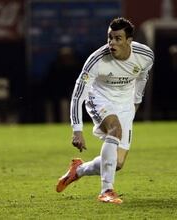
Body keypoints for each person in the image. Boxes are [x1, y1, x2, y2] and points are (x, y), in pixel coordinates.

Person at [55, 17, 154, 204]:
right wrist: (77, 130)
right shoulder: (96, 60)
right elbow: (77, 95)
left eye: (117, 38)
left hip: (125, 103)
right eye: (110, 38)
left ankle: (79, 170)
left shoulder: (145, 55)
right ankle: (106, 190)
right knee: (114, 128)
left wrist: (136, 102)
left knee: (116, 164)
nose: (112, 43)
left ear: (129, 41)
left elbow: (142, 77)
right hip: (99, 98)